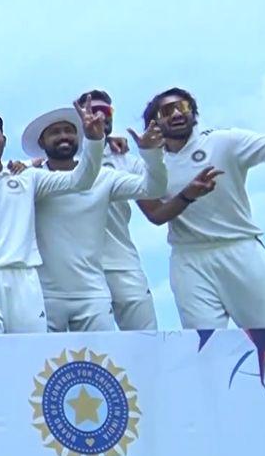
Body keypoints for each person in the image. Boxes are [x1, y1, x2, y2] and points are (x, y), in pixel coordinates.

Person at [0, 100, 106, 334]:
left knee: (32, 362)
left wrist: (94, 140)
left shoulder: (28, 177)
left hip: (25, 280)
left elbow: (82, 180)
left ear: (4, 140)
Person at [22, 107, 167, 332]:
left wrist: (152, 155)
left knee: (103, 365)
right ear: (41, 142)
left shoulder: (104, 177)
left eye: (69, 131)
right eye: (55, 132)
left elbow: (153, 188)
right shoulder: (31, 179)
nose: (63, 136)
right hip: (45, 294)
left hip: (93, 294)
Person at [136, 88, 265, 329]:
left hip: (240, 248)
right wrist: (187, 195)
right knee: (205, 346)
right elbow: (155, 215)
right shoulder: (149, 166)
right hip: (188, 259)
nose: (176, 113)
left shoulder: (224, 141)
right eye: (167, 110)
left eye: (183, 107)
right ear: (154, 124)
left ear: (193, 114)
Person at [72, 90, 160, 330]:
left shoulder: (125, 159)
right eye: (93, 110)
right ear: (80, 116)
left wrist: (152, 154)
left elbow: (154, 193)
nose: (101, 116)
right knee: (92, 352)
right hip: (78, 269)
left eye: (106, 111)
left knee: (146, 341)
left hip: (123, 263)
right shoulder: (65, 154)